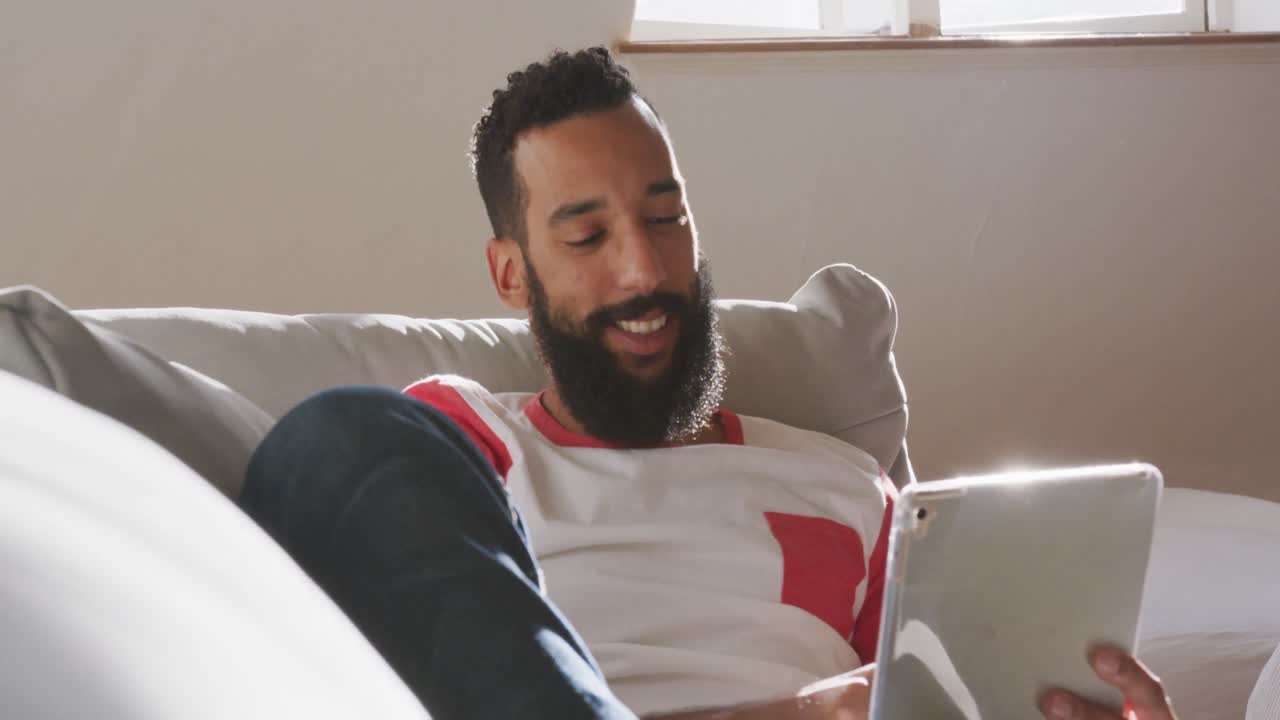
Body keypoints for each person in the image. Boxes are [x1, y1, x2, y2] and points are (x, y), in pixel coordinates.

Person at [239, 47, 1178, 720]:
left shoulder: (854, 490)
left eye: (666, 217)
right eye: (587, 237)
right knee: (338, 438)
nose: (644, 272)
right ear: (511, 274)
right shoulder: (462, 444)